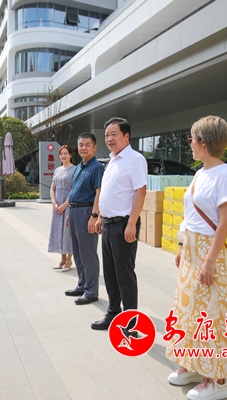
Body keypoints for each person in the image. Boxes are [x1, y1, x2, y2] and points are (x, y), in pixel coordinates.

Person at [165, 116, 227, 400]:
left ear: (204, 143)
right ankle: (194, 365)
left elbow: (225, 222)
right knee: (189, 311)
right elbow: (190, 216)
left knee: (212, 314)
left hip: (210, 252)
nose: (190, 144)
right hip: (192, 250)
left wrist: (209, 261)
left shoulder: (225, 175)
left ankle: (217, 379)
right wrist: (181, 245)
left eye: (192, 139)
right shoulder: (200, 174)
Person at [92, 117, 147, 330]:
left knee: (124, 275)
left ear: (126, 136)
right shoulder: (112, 160)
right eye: (107, 135)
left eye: (114, 134)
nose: (109, 139)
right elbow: (109, 192)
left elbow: (140, 192)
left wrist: (131, 223)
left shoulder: (135, 159)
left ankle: (131, 324)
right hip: (108, 224)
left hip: (124, 225)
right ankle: (113, 313)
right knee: (110, 274)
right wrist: (100, 217)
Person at [64, 133, 104, 306]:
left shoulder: (97, 167)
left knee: (88, 254)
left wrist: (94, 216)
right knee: (78, 252)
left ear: (95, 147)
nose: (83, 148)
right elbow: (75, 190)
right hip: (74, 211)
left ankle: (91, 291)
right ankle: (82, 285)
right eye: (81, 145)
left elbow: (99, 192)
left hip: (86, 212)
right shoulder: (79, 166)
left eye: (87, 145)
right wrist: (69, 212)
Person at [48, 145, 76, 272]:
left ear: (70, 155)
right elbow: (52, 188)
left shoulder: (75, 170)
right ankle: (62, 258)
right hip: (57, 206)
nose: (63, 156)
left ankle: (69, 260)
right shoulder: (57, 170)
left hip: (68, 204)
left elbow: (74, 190)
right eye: (61, 154)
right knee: (58, 230)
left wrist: (64, 205)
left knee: (67, 231)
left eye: (66, 153)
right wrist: (54, 203)